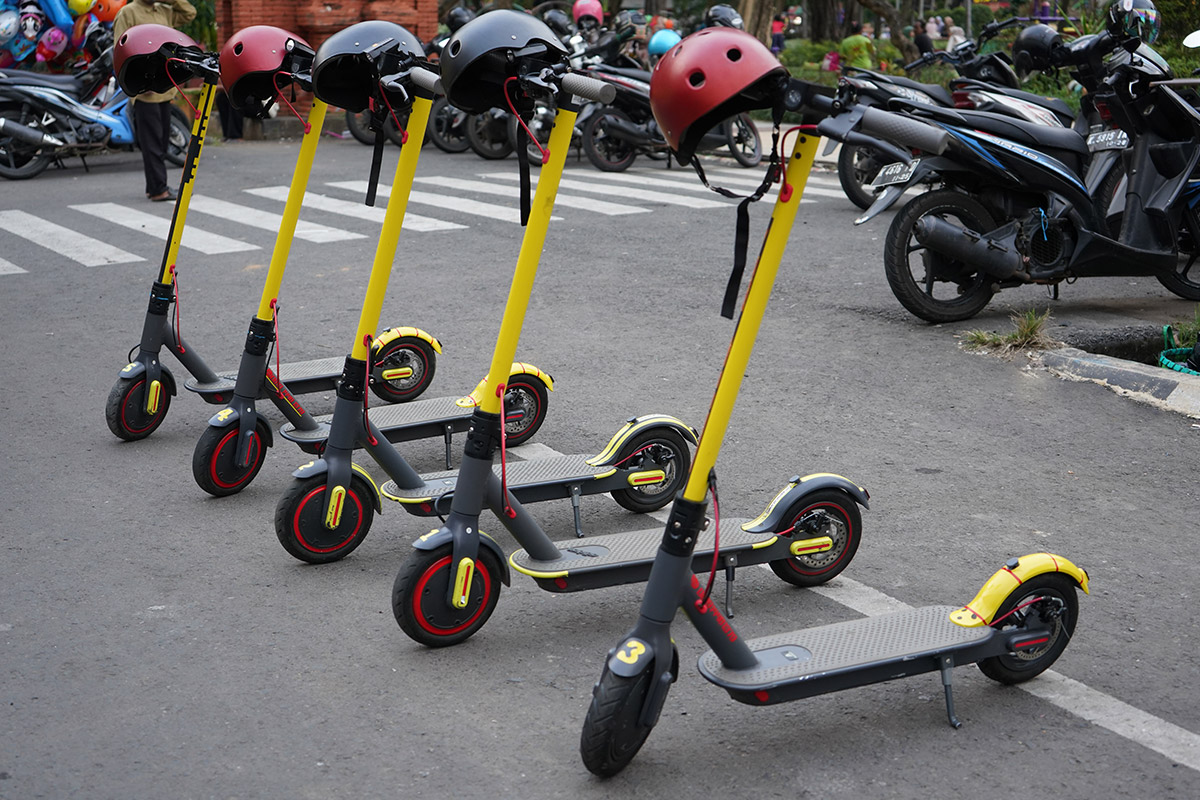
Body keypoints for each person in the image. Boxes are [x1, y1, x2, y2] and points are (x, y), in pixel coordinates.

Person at [112, 0, 197, 201]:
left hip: (165, 88)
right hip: (145, 91)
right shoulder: (128, 13)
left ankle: (156, 186)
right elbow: (121, 51)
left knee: (162, 140)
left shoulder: (165, 11)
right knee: (152, 143)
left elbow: (189, 13)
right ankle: (158, 189)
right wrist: (140, 82)